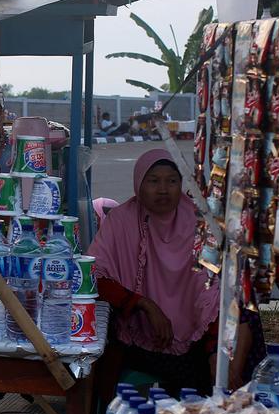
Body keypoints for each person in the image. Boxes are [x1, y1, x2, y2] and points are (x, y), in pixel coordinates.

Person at [88, 149, 221, 398]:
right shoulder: (121, 221)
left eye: (172, 181)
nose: (163, 190)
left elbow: (213, 290)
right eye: (153, 181)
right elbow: (93, 275)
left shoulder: (198, 222)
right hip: (136, 338)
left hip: (194, 341)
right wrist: (144, 304)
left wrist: (215, 350)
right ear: (139, 184)